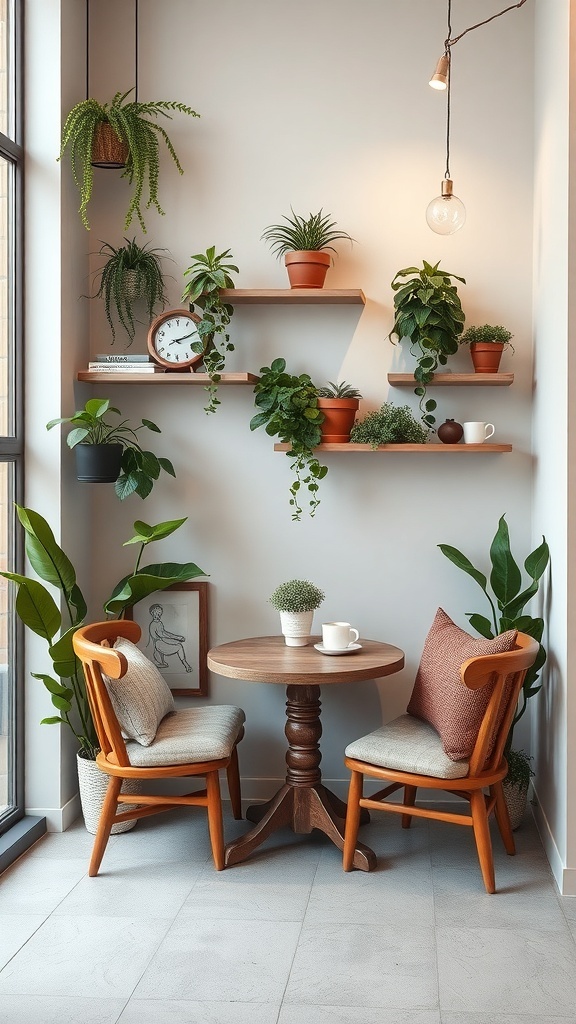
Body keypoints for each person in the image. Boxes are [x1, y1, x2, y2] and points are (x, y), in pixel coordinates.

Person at [146, 603, 192, 672]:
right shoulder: (153, 624)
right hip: (159, 644)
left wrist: (177, 638)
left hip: (161, 643)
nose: (158, 615)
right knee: (179, 646)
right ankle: (186, 665)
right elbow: (162, 636)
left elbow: (165, 633)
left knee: (178, 645)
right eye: (157, 613)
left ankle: (185, 665)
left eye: (160, 613)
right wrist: (176, 639)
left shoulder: (159, 623)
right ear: (152, 613)